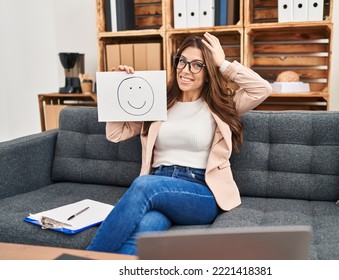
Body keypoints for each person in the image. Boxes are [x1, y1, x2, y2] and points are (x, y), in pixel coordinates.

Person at [87, 32, 272, 255]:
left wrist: (223, 64)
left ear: (208, 71)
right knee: (143, 231)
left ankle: (83, 263)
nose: (185, 70)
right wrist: (116, 86)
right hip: (159, 187)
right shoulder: (159, 101)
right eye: (182, 61)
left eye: (197, 65)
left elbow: (262, 89)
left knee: (143, 185)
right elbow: (116, 133)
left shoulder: (222, 105)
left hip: (200, 191)